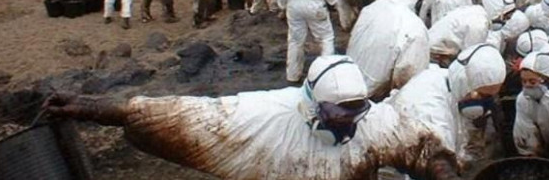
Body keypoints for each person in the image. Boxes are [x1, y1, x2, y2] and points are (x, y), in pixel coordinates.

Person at [44, 55, 464, 180]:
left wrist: (444, 172)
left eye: (357, 109)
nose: (349, 120)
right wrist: (90, 108)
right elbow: (178, 115)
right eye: (341, 112)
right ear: (315, 105)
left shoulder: (373, 121)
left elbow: (421, 147)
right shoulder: (261, 117)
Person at [389, 44, 507, 169]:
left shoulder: (445, 81)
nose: (482, 102)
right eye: (482, 95)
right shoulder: (432, 115)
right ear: (465, 82)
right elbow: (438, 167)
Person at [347, 0, 434, 100]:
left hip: (349, 86)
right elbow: (409, 86)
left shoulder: (371, 9)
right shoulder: (414, 29)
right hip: (373, 103)